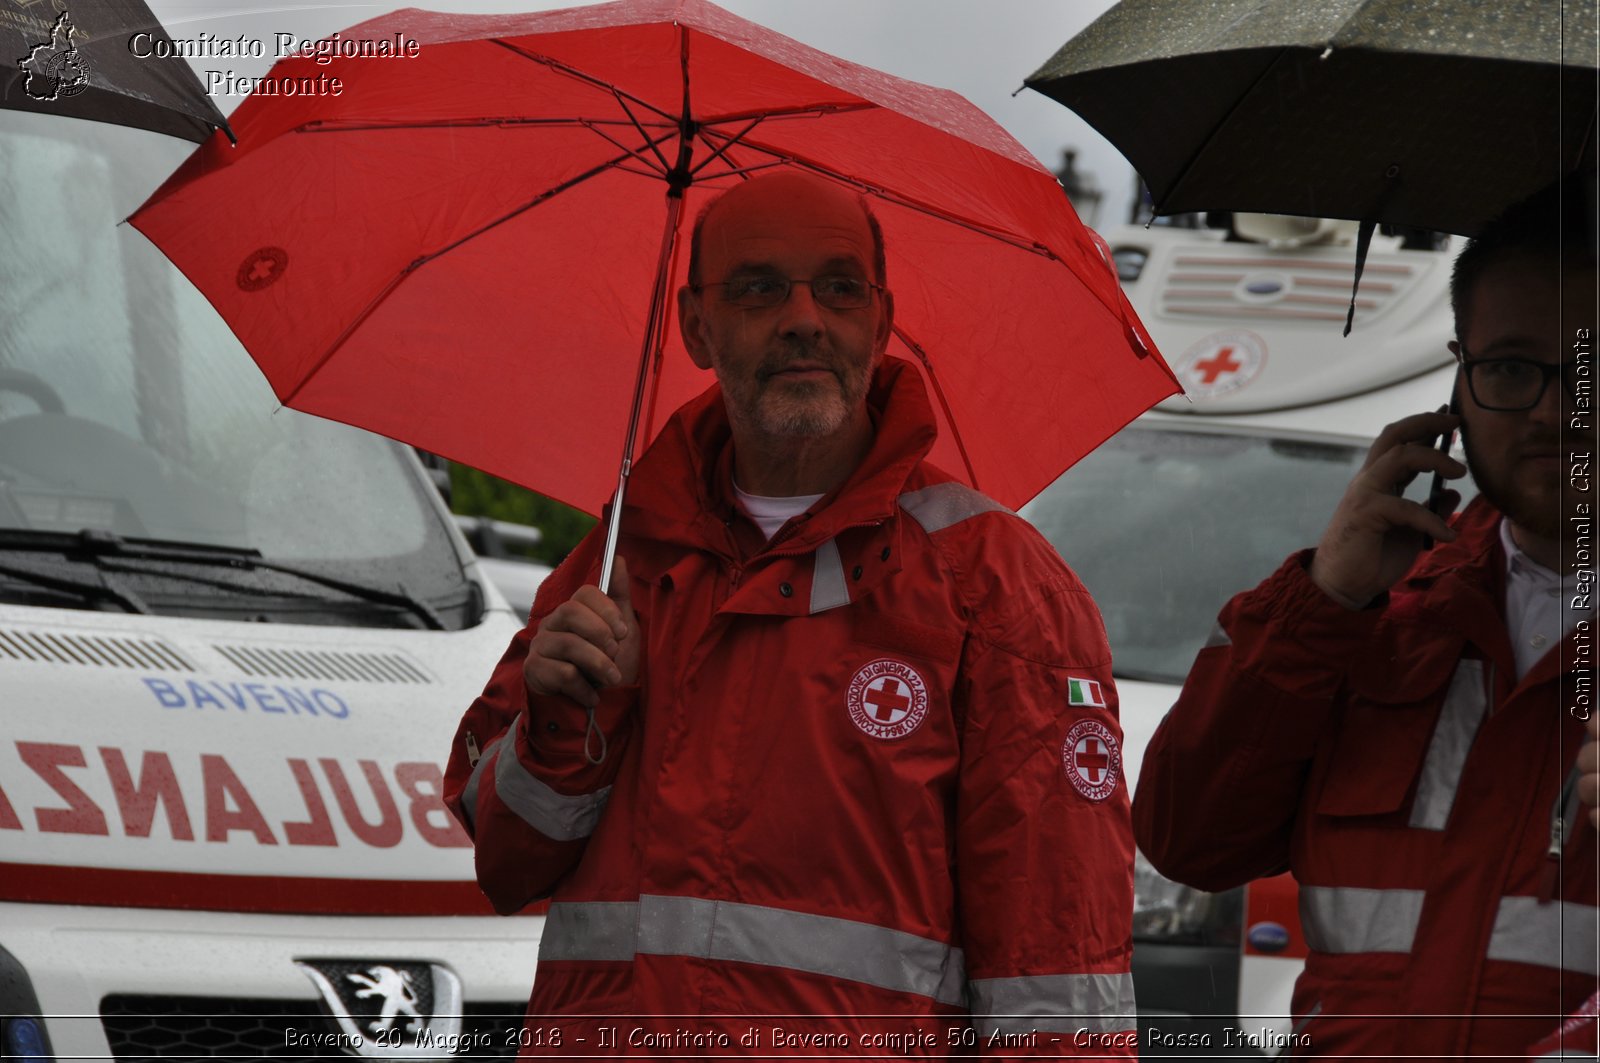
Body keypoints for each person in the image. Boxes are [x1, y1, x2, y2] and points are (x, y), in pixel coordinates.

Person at [443, 173, 1137, 1057]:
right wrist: (568, 719)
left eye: (840, 287)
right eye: (759, 286)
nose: (805, 317)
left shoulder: (998, 586)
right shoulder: (621, 558)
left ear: (880, 321)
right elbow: (505, 865)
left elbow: (1058, 968)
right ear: (697, 324)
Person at [1133, 180, 1597, 1060]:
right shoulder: (1370, 618)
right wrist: (1321, 603)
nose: (1551, 410)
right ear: (1455, 384)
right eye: (1509, 367)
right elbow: (1186, 838)